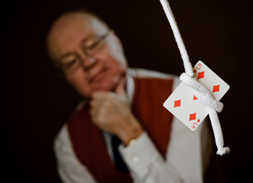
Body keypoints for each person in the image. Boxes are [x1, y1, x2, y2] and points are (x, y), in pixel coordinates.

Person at [46, 10, 214, 183]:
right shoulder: (67, 141)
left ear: (116, 41)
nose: (88, 63)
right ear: (64, 77)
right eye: (70, 62)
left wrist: (129, 131)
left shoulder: (186, 93)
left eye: (93, 44)